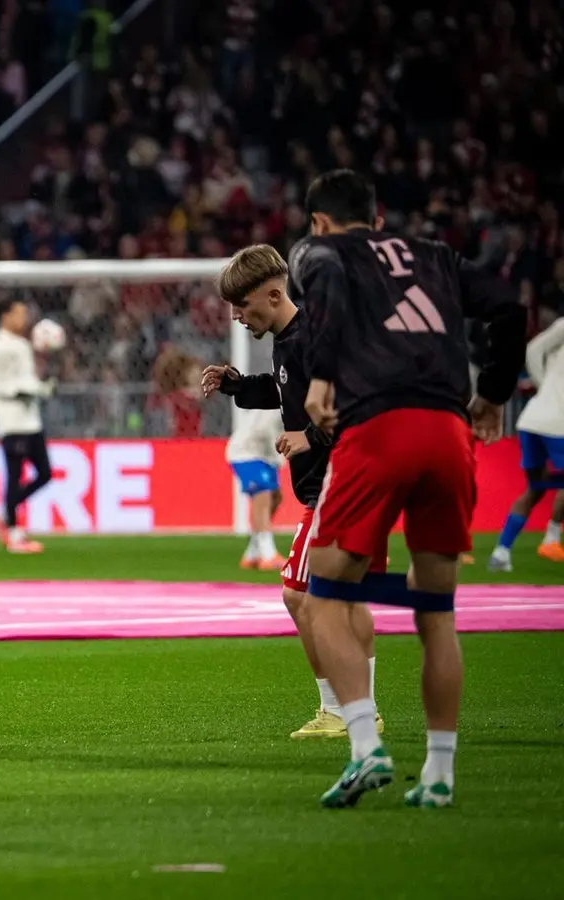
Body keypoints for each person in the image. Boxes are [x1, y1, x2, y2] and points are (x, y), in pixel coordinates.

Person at [292, 170, 524, 809]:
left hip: (377, 429)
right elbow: (508, 305)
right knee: (436, 610)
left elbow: (328, 285)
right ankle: (440, 774)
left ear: (319, 222)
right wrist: (495, 393)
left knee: (324, 596)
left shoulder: (320, 252)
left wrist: (320, 376)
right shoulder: (436, 256)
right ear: (379, 215)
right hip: (451, 434)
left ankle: (366, 746)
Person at [202, 243, 382, 741]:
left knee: (298, 595)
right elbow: (285, 391)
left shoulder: (314, 340)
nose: (237, 316)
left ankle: (341, 710)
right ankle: (357, 709)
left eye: (243, 305)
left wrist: (313, 436)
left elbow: (357, 405)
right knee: (337, 599)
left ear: (274, 294)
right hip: (332, 486)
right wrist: (237, 385)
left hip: (338, 484)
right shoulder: (291, 342)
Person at [488, 312, 564, 571]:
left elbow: (533, 349)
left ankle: (501, 553)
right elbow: (532, 349)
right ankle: (552, 538)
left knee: (536, 487)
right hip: (557, 423)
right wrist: (544, 385)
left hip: (531, 420)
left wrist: (544, 389)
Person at [0, 298, 55, 553]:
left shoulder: (23, 345)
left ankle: (4, 512)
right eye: (19, 314)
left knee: (45, 473)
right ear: (6, 316)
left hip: (31, 421)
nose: (24, 319)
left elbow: (28, 380)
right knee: (14, 476)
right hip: (11, 422)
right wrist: (20, 391)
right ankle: (14, 535)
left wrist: (40, 388)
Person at [224, 407, 284, 569]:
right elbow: (264, 429)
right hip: (246, 452)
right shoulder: (283, 399)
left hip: (265, 454)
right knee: (262, 495)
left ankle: (252, 553)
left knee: (276, 498)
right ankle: (268, 554)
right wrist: (279, 457)